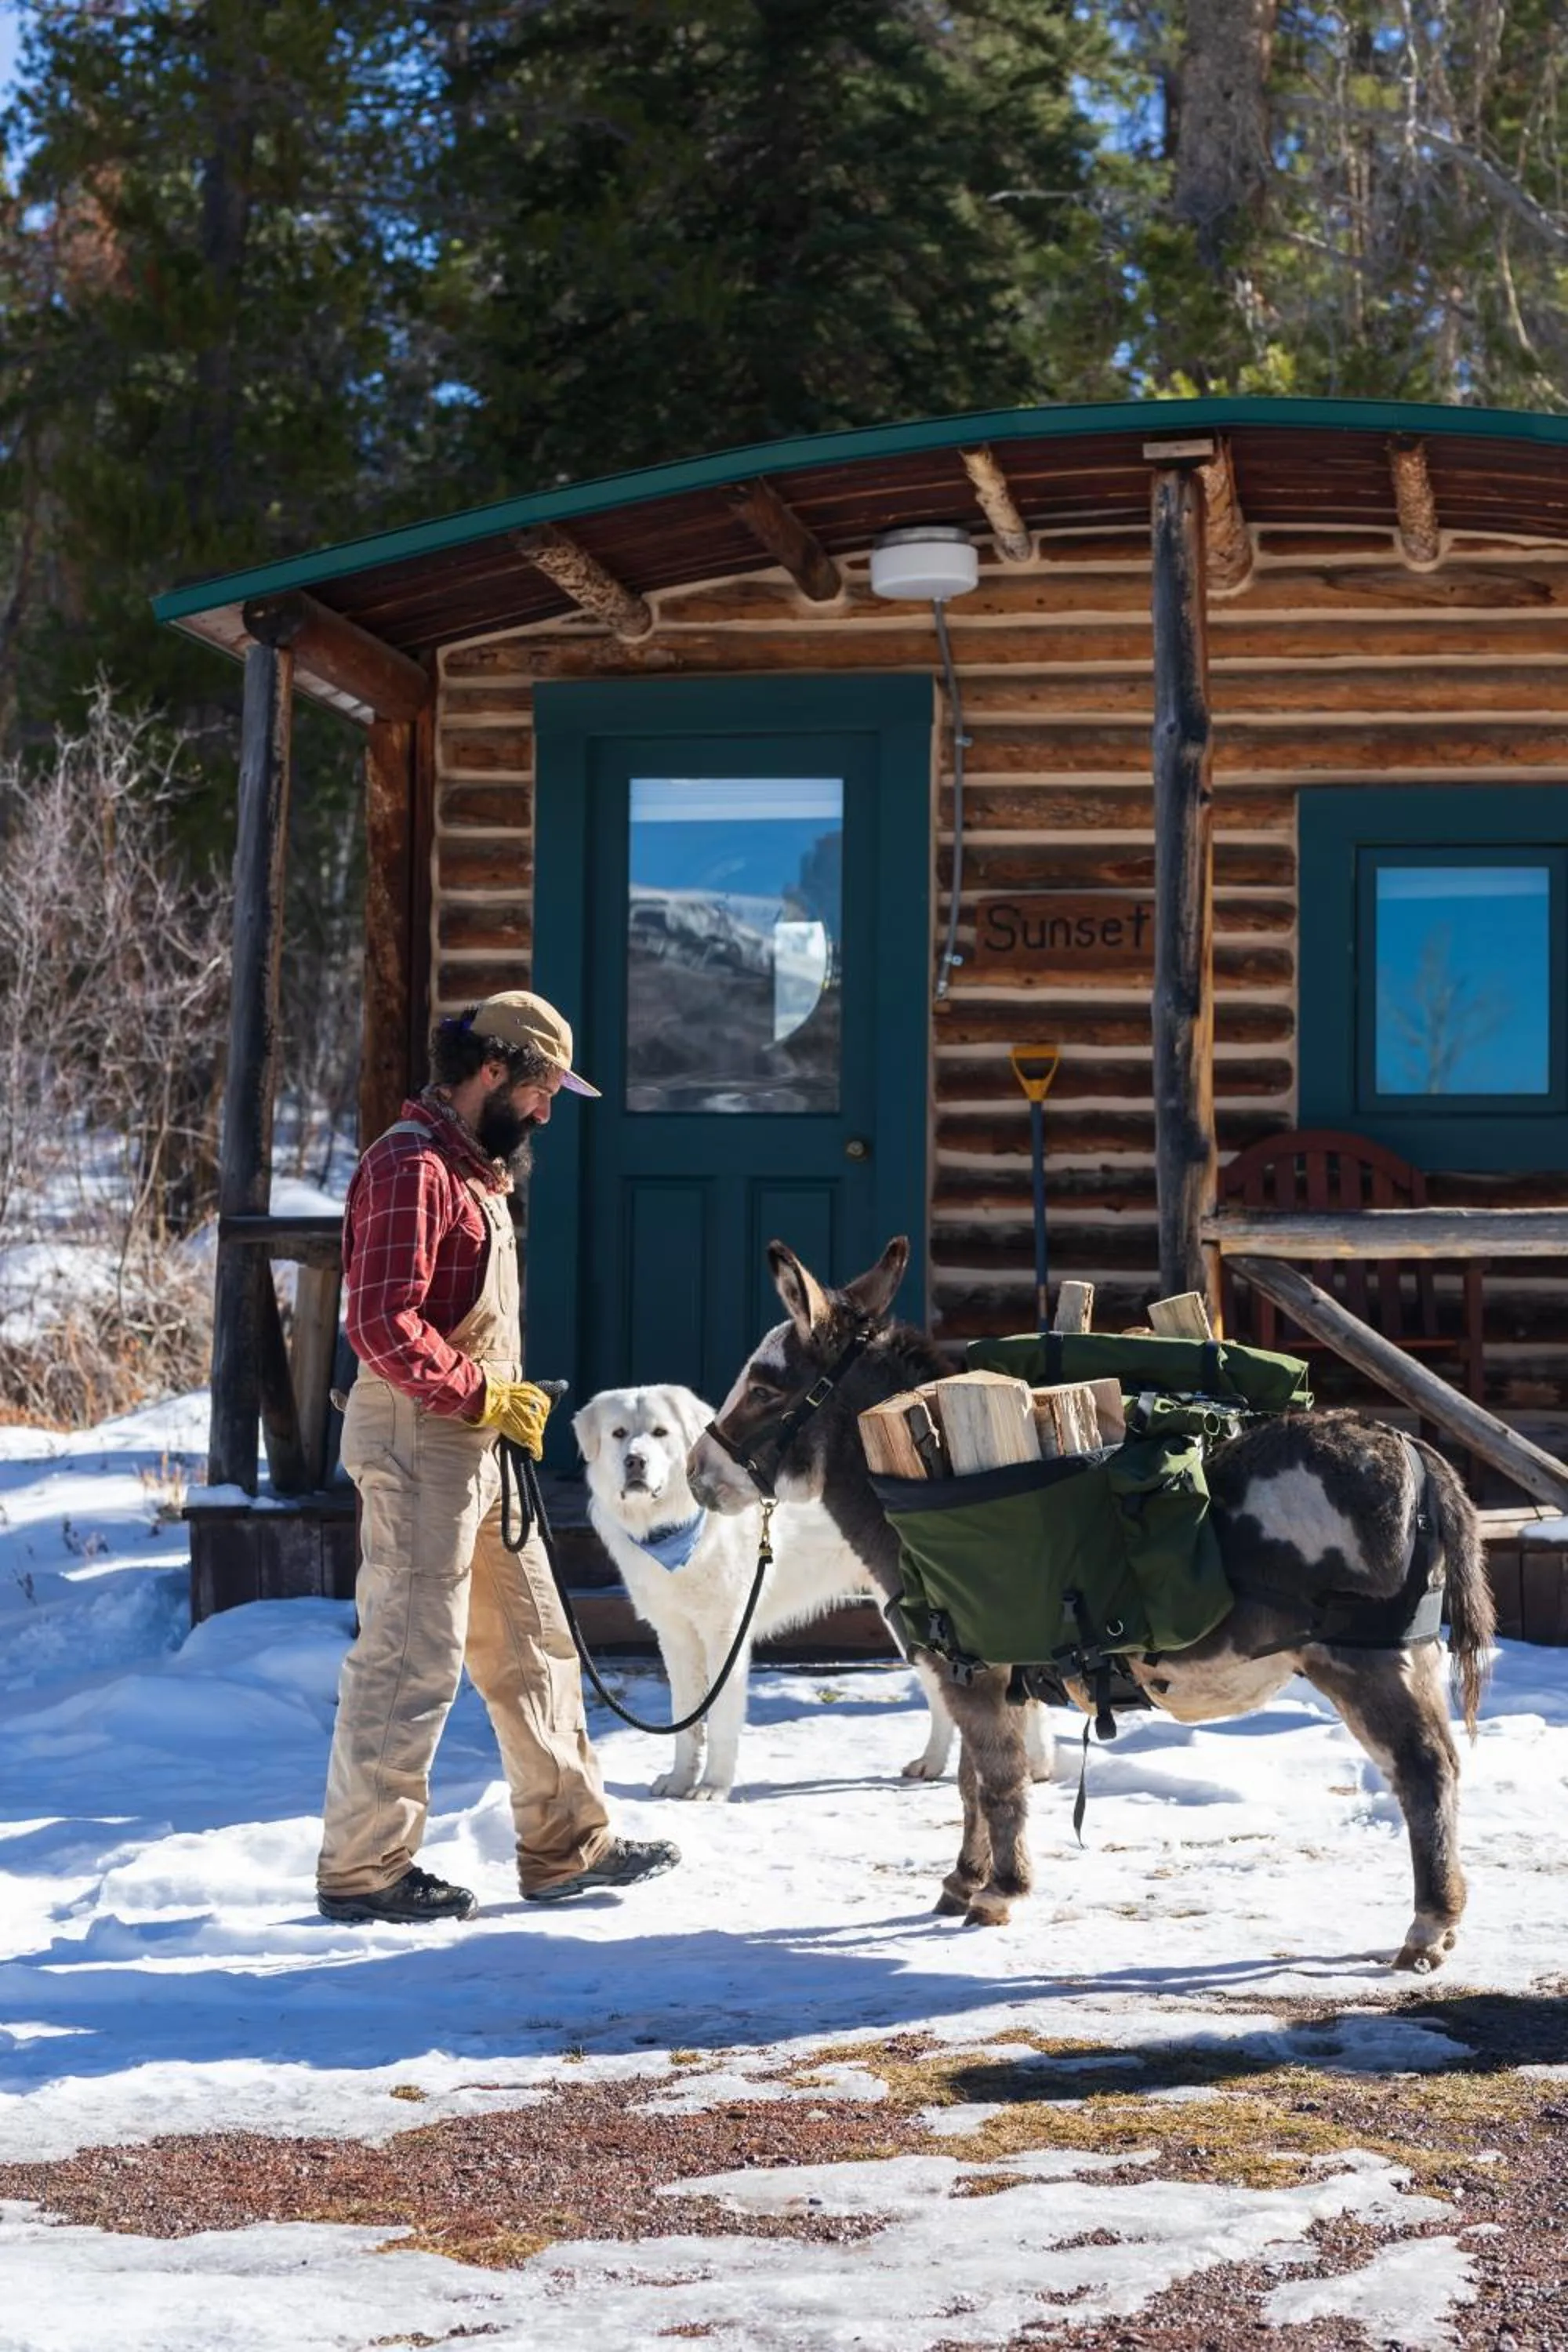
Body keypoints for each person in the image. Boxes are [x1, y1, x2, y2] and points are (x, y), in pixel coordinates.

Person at [316, 989, 679, 1923]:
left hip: (478, 1448)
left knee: (533, 1644)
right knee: (410, 1653)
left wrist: (497, 1405)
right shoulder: (410, 1166)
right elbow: (379, 1322)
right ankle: (364, 1869)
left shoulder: (473, 1172)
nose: (547, 1110)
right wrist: (482, 1393)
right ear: (491, 1071)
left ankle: (566, 1847)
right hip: (418, 1442)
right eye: (542, 1089)